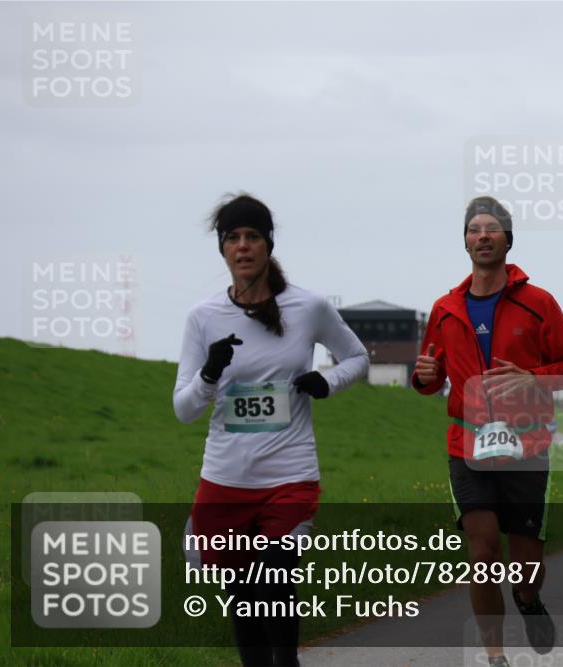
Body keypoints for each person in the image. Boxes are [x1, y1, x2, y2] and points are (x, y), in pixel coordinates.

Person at [174, 193, 369, 667]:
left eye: (253, 237)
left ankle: (289, 661)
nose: (243, 247)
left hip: (290, 473)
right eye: (233, 238)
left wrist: (326, 381)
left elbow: (359, 359)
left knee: (275, 578)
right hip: (226, 478)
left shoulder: (308, 307)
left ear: (268, 245)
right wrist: (209, 375)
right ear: (222, 250)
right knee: (242, 592)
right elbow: (183, 410)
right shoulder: (203, 318)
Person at [412, 196, 563, 666]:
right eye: (473, 229)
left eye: (491, 228)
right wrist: (424, 375)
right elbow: (431, 378)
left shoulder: (538, 303)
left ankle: (528, 601)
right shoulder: (445, 308)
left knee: (525, 567)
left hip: (526, 445)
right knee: (482, 554)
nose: (482, 235)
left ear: (508, 239)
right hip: (467, 444)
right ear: (465, 240)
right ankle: (494, 656)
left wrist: (534, 378)